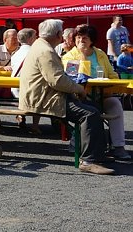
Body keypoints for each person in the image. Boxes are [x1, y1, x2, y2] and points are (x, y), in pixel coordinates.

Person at [18, 19, 113, 175]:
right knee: (90, 113)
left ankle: (97, 154)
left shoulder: (40, 46)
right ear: (57, 34)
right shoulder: (46, 51)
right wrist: (79, 90)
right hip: (43, 100)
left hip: (41, 96)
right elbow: (57, 81)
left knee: (94, 107)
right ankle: (88, 160)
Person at [62, 24, 129, 160]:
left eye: (85, 38)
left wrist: (109, 84)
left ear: (92, 40)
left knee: (115, 105)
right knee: (91, 109)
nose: (81, 40)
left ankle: (118, 147)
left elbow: (112, 75)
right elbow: (73, 78)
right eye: (78, 38)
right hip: (80, 96)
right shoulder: (70, 56)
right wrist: (82, 56)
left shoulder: (100, 54)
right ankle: (92, 147)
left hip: (102, 94)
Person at [10, 28, 40, 133]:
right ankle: (35, 126)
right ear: (30, 38)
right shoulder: (35, 52)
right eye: (35, 36)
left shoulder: (15, 54)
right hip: (29, 91)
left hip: (15, 89)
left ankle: (21, 115)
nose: (37, 38)